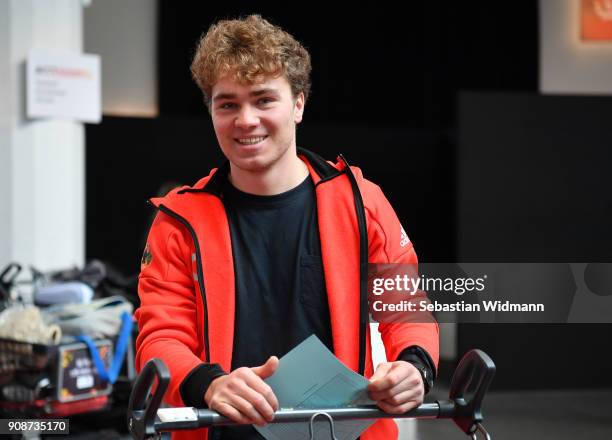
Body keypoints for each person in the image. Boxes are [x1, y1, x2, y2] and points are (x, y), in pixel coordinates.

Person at [135, 15, 439, 440]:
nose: (245, 120)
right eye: (228, 104)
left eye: (263, 100)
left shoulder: (360, 201)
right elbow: (159, 337)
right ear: (211, 111)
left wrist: (415, 365)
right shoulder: (179, 222)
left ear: (298, 104)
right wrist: (210, 384)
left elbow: (405, 305)